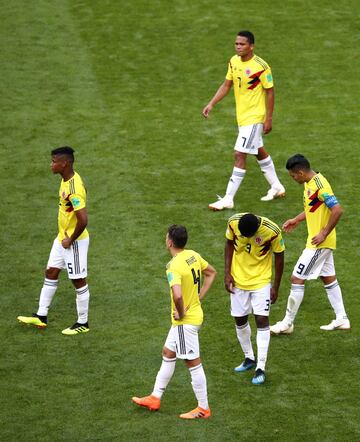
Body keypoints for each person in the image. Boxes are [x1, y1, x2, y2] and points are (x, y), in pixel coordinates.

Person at [132, 225, 216, 419]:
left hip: (185, 322)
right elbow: (211, 273)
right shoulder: (193, 255)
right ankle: (155, 397)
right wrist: (198, 297)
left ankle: (203, 408)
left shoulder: (173, 266)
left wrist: (180, 312)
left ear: (170, 242)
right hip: (193, 315)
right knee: (168, 353)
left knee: (192, 362)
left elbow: (177, 295)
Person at [203, 30, 285, 210]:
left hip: (255, 118)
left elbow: (270, 91)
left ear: (251, 46)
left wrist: (268, 118)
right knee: (258, 151)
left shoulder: (261, 66)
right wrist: (211, 103)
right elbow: (227, 85)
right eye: (236, 44)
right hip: (242, 118)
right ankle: (277, 186)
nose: (238, 47)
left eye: (242, 44)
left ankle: (228, 198)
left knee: (239, 154)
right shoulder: (233, 62)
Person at [270, 154, 350, 335]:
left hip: (318, 243)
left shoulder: (320, 185)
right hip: (318, 241)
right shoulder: (309, 183)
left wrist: (323, 233)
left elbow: (337, 210)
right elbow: (312, 207)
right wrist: (297, 220)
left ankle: (287, 323)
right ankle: (342, 318)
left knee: (297, 279)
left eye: (293, 176)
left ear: (300, 172)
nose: (293, 179)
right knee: (328, 278)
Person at [17, 146, 91, 336]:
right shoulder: (66, 180)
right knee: (51, 272)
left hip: (73, 241)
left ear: (64, 163)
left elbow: (83, 219)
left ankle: (83, 322)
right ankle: (41, 316)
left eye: (54, 161)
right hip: (61, 238)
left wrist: (71, 240)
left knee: (78, 280)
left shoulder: (73, 189)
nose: (51, 164)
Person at [225, 213, 284, 384]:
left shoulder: (272, 231)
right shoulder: (233, 222)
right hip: (238, 280)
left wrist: (276, 286)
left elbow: (280, 257)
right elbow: (228, 243)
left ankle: (261, 367)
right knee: (239, 319)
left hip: (261, 281)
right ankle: (249, 358)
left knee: (261, 319)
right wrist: (227, 273)